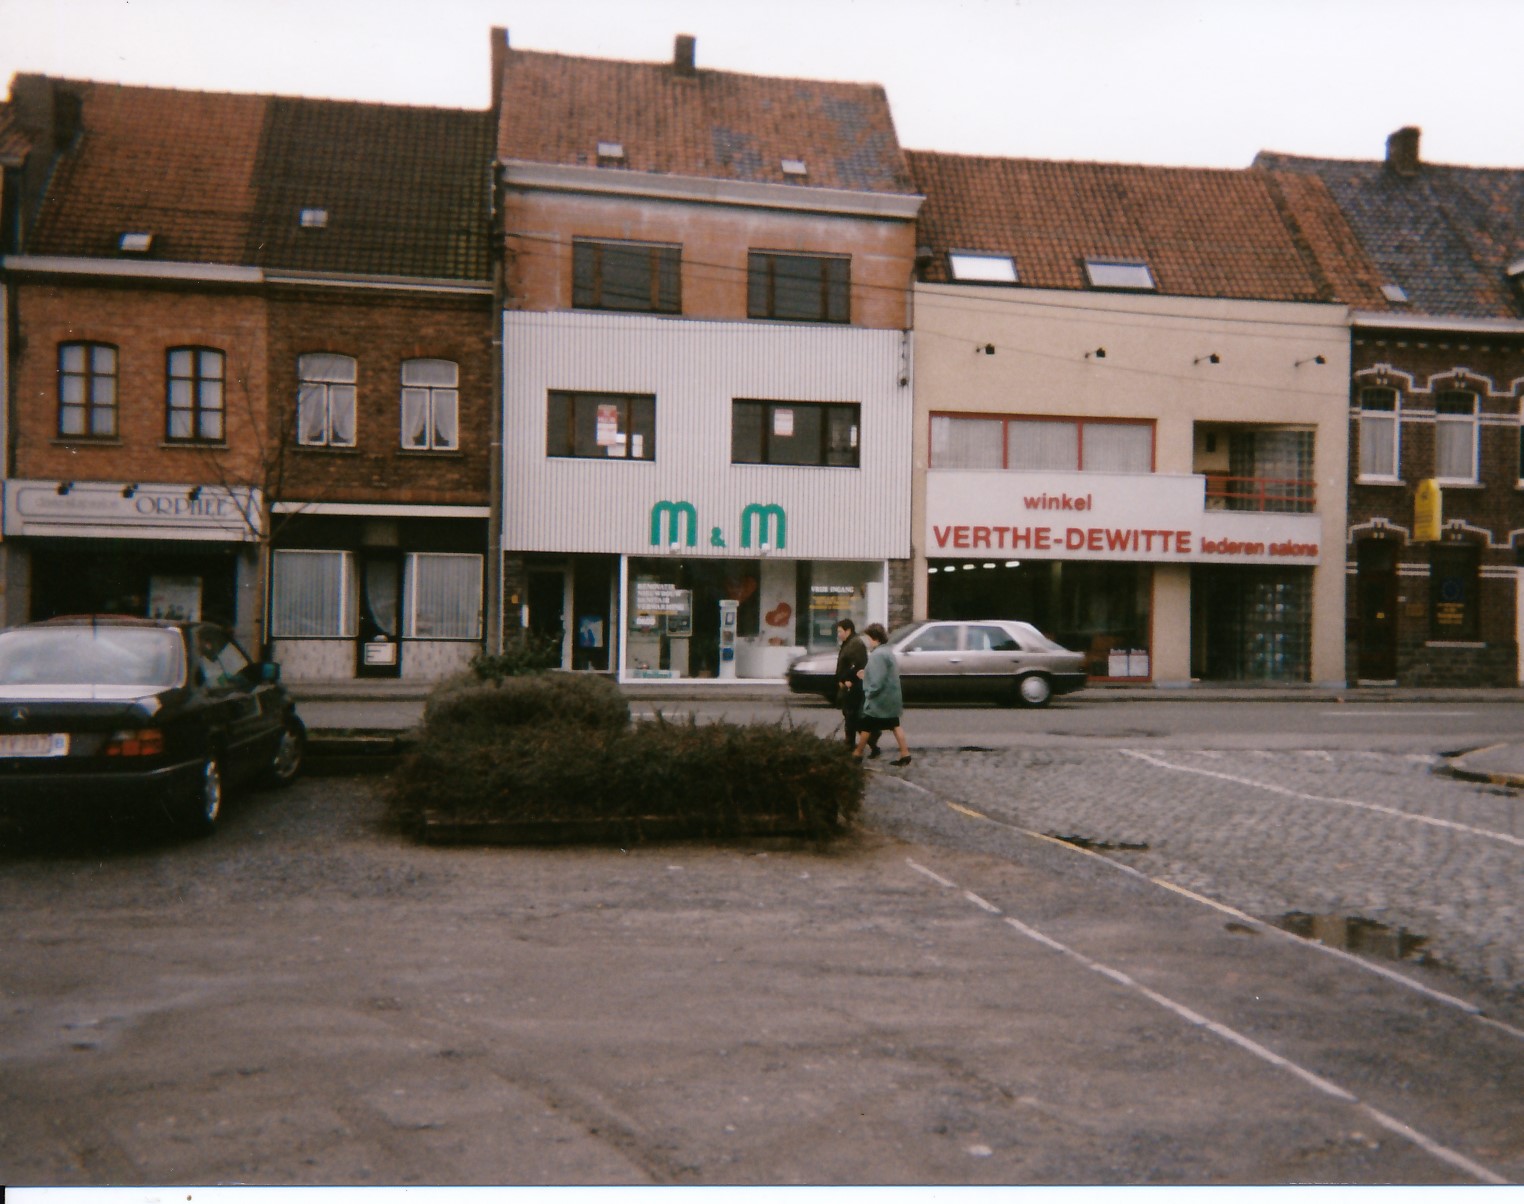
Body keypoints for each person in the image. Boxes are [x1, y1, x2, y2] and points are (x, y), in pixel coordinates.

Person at [853, 622, 911, 767]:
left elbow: (877, 680)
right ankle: (905, 753)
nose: (867, 641)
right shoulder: (887, 651)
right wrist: (866, 674)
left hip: (880, 700)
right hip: (891, 698)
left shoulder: (877, 655)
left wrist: (868, 691)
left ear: (875, 638)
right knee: (895, 725)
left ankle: (857, 754)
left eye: (868, 638)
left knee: (866, 725)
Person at [834, 619, 879, 757]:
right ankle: (857, 744)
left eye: (840, 631)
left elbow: (858, 665)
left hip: (854, 686)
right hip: (849, 685)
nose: (839, 634)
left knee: (852, 717)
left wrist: (848, 680)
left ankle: (861, 743)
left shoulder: (855, 644)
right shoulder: (849, 643)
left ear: (848, 630)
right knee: (851, 716)